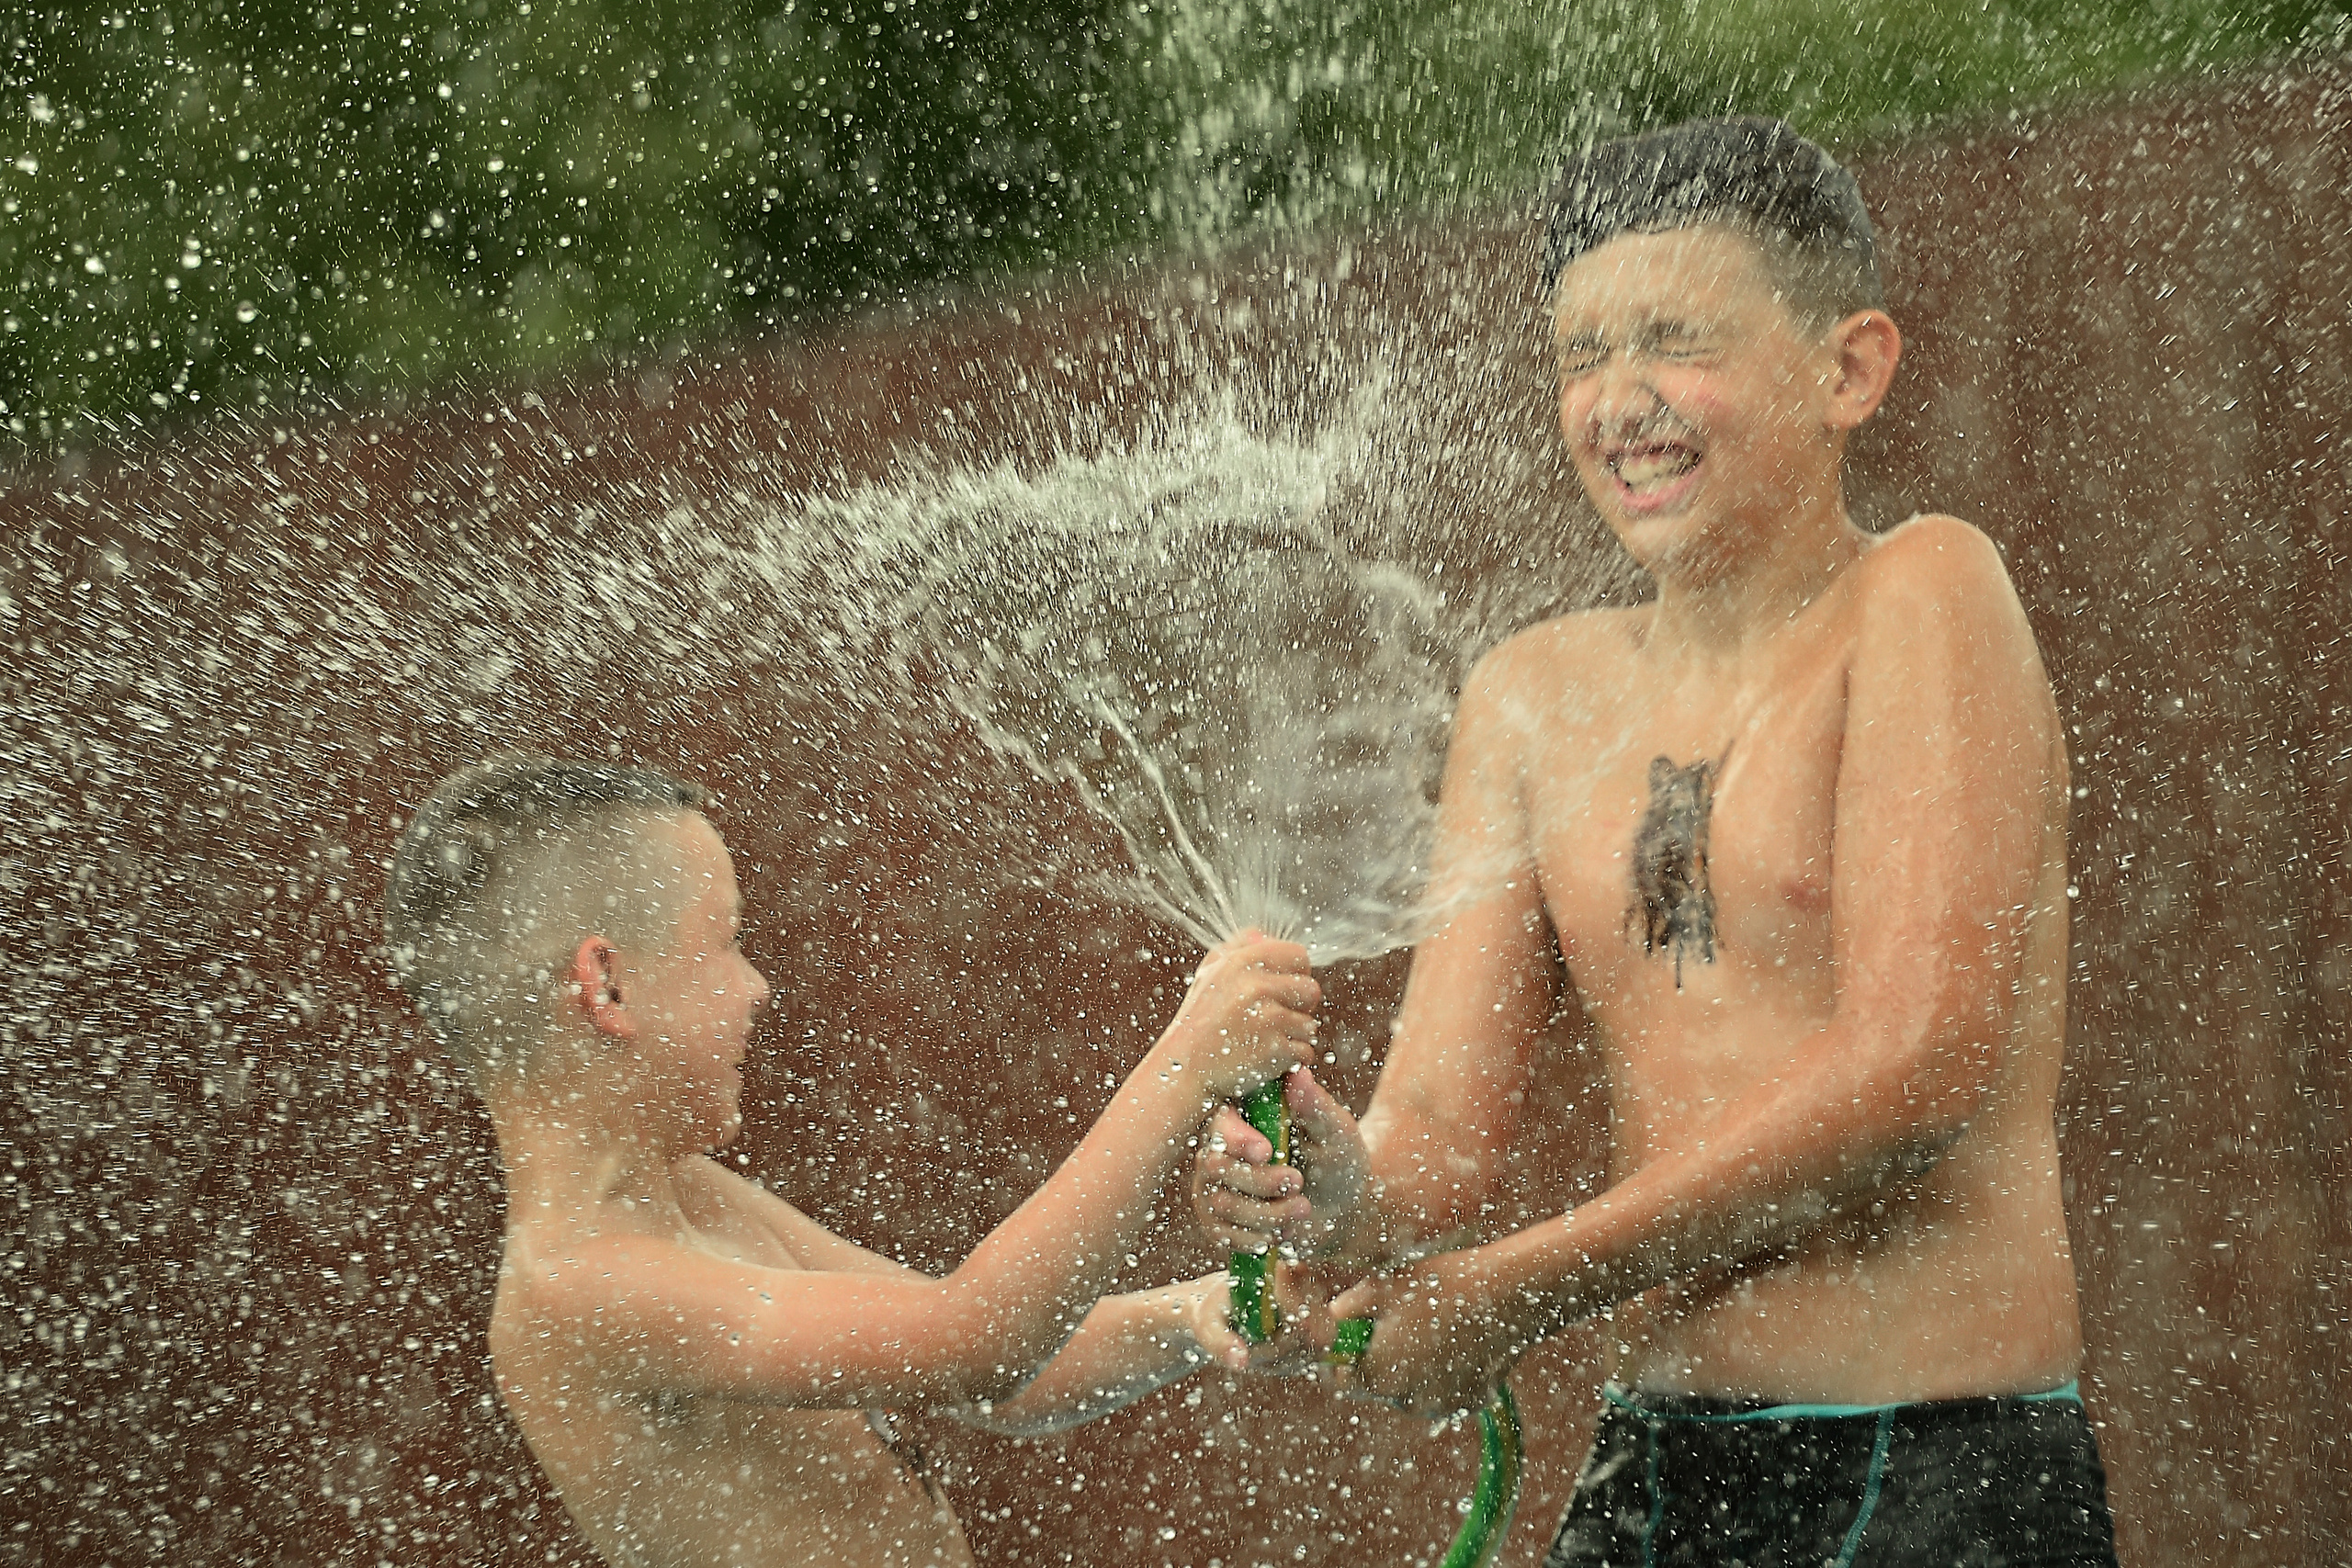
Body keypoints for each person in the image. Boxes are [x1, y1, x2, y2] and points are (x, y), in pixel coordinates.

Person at [1193, 117, 2120, 1566]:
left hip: (1936, 1458)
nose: (1620, 402)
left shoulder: (1926, 593)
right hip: (1661, 1463)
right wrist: (1338, 1179)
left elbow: (1916, 1071)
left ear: (1849, 368)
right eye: (1580, 357)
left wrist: (1508, 1291)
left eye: (1674, 342)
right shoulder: (1530, 695)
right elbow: (1436, 1129)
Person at [385, 753, 1319, 1568]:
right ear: (607, 986)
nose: (756, 987)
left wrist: (1190, 1316)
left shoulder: (693, 1202)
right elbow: (977, 1343)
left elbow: (1012, 1374)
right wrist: (1184, 1063)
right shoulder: (578, 1293)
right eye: (725, 940)